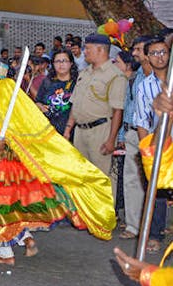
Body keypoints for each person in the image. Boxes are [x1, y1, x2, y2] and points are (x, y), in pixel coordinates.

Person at [0, 56, 116, 265]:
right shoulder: (9, 93)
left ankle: (6, 254)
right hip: (15, 163)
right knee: (11, 207)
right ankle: (25, 239)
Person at [64, 34, 127, 201]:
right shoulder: (84, 72)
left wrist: (111, 140)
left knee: (102, 178)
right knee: (82, 178)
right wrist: (68, 129)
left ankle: (104, 220)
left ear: (100, 49)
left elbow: (117, 111)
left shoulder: (115, 75)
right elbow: (75, 103)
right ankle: (88, 217)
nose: (85, 52)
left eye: (88, 48)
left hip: (101, 131)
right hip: (80, 132)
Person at [130, 36, 170, 252]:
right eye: (154, 53)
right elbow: (141, 120)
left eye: (163, 51)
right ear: (147, 57)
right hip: (159, 144)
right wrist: (147, 150)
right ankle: (155, 235)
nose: (159, 56)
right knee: (156, 191)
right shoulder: (144, 86)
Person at [118, 37, 153, 241]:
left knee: (156, 181)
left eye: (139, 50)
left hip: (155, 134)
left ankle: (153, 227)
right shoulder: (133, 78)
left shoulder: (163, 77)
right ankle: (133, 225)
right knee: (132, 180)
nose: (135, 54)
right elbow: (127, 106)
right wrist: (123, 135)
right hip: (132, 133)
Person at [35, 49, 78, 133]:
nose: (61, 64)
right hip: (48, 131)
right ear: (53, 64)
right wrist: (42, 107)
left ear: (71, 63)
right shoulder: (47, 82)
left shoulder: (77, 83)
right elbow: (37, 101)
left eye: (64, 61)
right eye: (57, 61)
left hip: (70, 132)